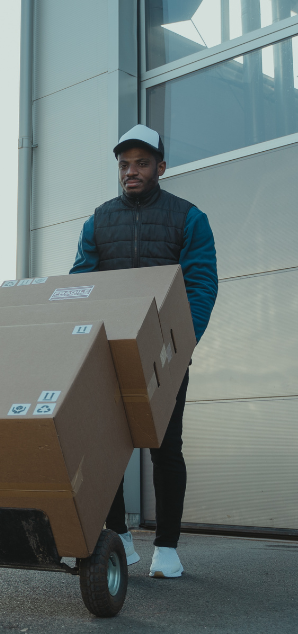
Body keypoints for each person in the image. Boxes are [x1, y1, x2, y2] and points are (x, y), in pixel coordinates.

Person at [70, 124, 218, 579]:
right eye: (124, 165)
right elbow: (81, 283)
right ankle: (121, 537)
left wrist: (181, 345)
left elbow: (201, 285)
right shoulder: (98, 221)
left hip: (165, 356)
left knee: (164, 447)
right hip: (108, 353)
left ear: (160, 167)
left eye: (141, 163)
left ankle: (168, 549)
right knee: (106, 447)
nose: (130, 172)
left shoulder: (188, 218)